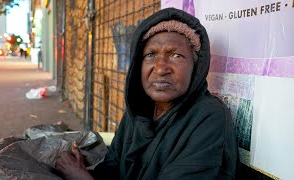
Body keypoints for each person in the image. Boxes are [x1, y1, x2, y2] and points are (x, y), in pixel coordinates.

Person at [55, 8, 238, 179]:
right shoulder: (138, 112)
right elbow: (112, 169)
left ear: (196, 67)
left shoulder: (209, 118)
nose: (160, 68)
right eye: (150, 55)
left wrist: (80, 177)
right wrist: (82, 168)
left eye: (176, 55)